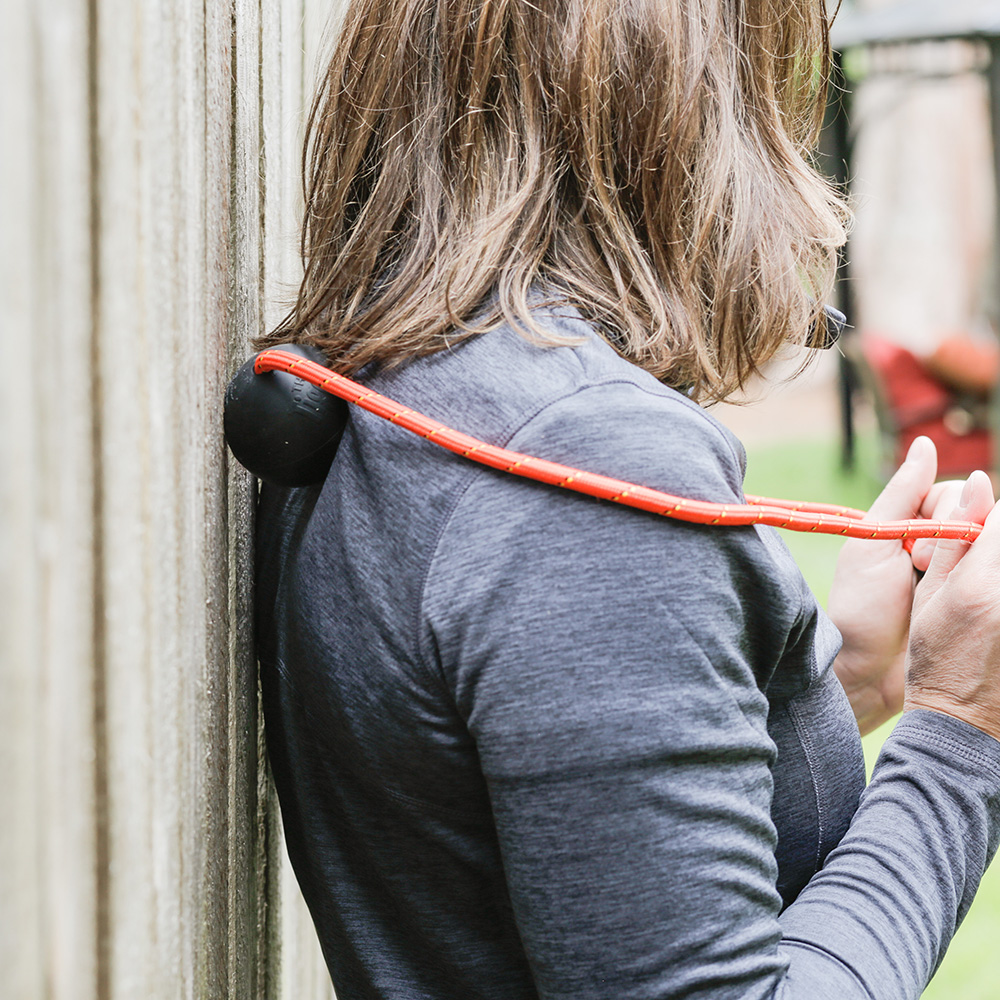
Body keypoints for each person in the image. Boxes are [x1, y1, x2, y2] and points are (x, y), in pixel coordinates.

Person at [253, 1, 1000, 997]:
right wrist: (961, 730)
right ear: (691, 108)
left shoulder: (412, 387)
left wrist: (839, 675)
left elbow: (533, 796)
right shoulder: (580, 461)